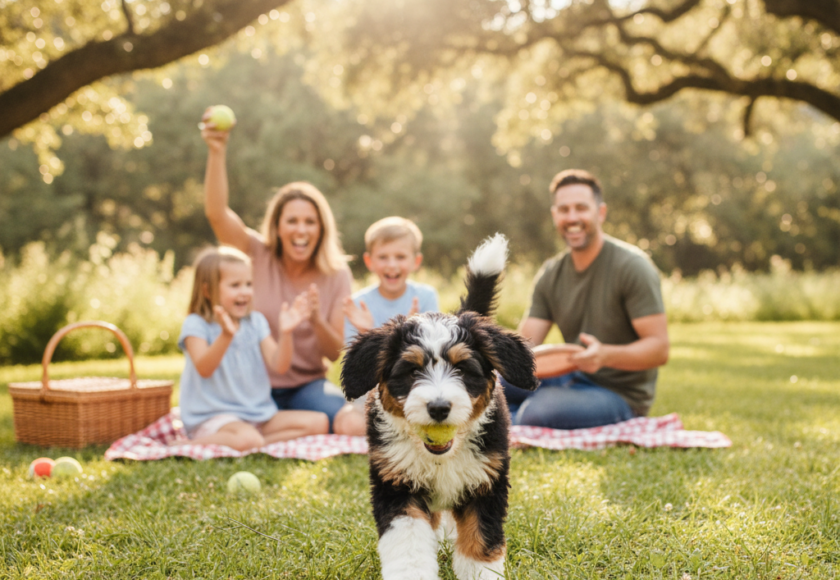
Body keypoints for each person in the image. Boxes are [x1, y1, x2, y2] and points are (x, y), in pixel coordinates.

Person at [200, 110, 361, 436]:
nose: (301, 230)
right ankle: (262, 430)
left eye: (309, 222)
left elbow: (336, 353)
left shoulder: (335, 274)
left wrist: (315, 320)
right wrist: (217, 152)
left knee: (346, 420)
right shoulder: (255, 254)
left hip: (307, 386)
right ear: (277, 225)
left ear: (321, 228)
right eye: (292, 221)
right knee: (227, 426)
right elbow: (217, 214)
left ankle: (272, 430)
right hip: (251, 384)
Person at [505, 169, 670, 430]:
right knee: (494, 387)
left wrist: (604, 356)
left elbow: (659, 349)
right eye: (564, 209)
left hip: (619, 393)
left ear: (600, 213)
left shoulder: (633, 267)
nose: (572, 218)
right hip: (567, 377)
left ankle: (503, 424)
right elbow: (526, 345)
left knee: (537, 412)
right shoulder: (551, 273)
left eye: (581, 208)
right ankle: (501, 420)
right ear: (554, 215)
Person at [177, 247, 329, 450]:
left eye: (248, 284)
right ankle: (189, 444)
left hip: (256, 414)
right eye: (235, 285)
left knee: (319, 422)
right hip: (214, 417)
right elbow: (204, 368)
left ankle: (255, 443)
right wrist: (226, 336)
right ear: (207, 290)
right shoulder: (196, 324)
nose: (245, 291)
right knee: (247, 439)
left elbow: (280, 365)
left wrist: (286, 333)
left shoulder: (255, 321)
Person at [343, 216, 440, 343]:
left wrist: (410, 332)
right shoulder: (357, 306)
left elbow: (433, 348)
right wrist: (366, 332)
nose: (392, 265)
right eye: (383, 257)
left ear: (416, 261)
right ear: (369, 261)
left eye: (400, 257)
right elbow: (353, 360)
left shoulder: (426, 297)